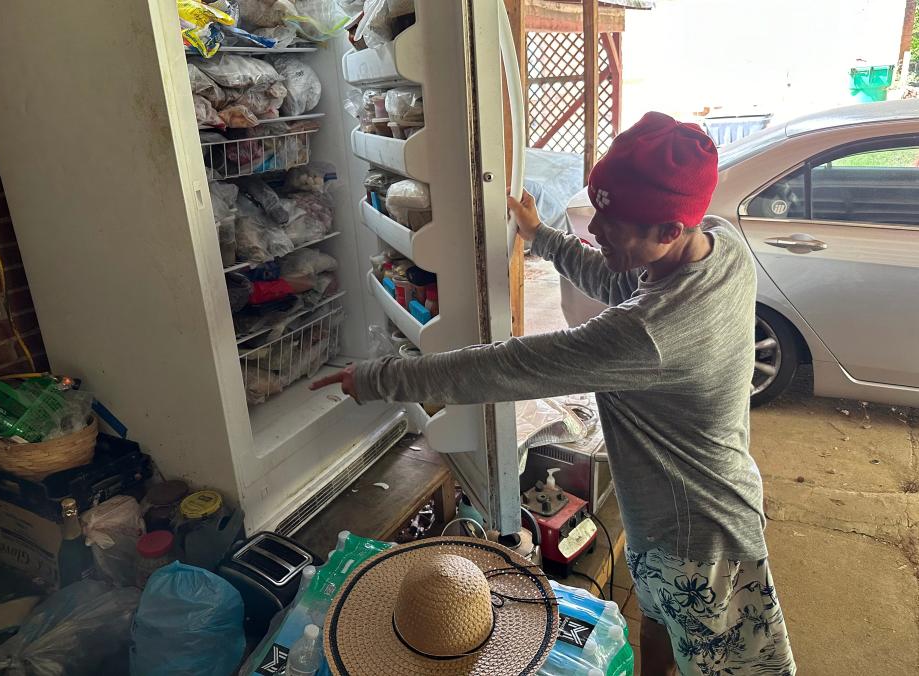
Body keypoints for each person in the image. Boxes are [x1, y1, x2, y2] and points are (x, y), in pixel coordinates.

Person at [311, 112, 795, 675]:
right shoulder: (720, 246)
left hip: (701, 541)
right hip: (667, 522)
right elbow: (620, 277)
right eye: (600, 221)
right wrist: (540, 237)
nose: (599, 237)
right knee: (660, 637)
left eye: (614, 231)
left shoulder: (647, 335)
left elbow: (506, 367)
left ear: (667, 231)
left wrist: (378, 378)